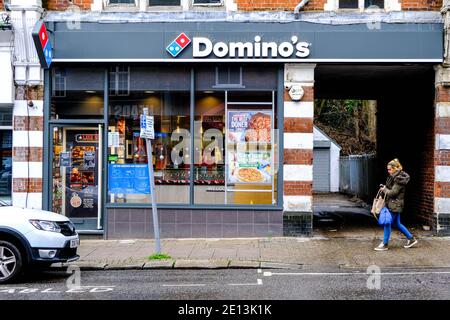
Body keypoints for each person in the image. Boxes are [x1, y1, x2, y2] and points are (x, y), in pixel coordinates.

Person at [374, 158, 418, 251]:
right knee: (397, 224)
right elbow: (390, 190)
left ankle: (385, 244)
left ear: (395, 169)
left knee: (387, 223)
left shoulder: (399, 179)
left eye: (390, 169)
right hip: (393, 204)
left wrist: (385, 189)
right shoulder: (393, 177)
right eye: (388, 169)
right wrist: (385, 188)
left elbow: (393, 193)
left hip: (395, 204)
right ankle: (411, 239)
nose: (388, 171)